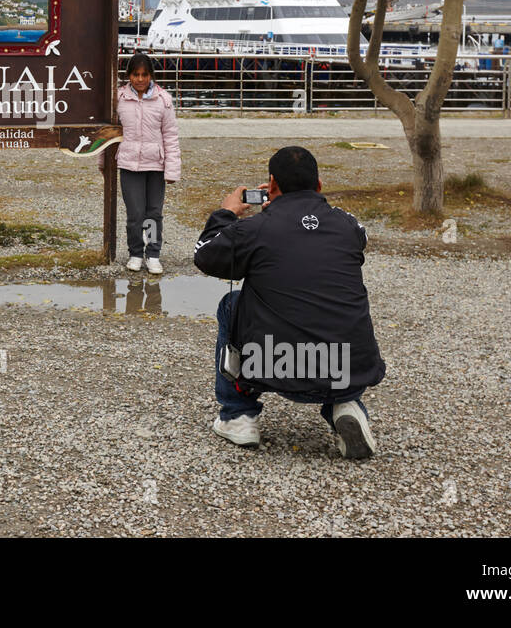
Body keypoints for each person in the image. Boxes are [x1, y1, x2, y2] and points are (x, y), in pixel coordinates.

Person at [193, 146, 385, 459]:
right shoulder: (349, 225)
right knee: (330, 304)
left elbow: (205, 255)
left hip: (277, 364)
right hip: (348, 366)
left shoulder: (253, 230)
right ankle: (345, 404)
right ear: (319, 185)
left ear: (270, 185)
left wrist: (226, 212)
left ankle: (238, 416)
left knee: (232, 302)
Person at [102, 53, 180, 274]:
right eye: (136, 74)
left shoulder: (164, 100)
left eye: (144, 74)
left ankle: (153, 254)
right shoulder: (118, 99)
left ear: (151, 76)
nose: (140, 79)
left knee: (154, 213)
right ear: (129, 76)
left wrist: (172, 169)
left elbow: (171, 136)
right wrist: (103, 162)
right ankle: (136, 252)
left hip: (156, 165)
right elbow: (109, 134)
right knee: (135, 214)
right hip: (129, 165)